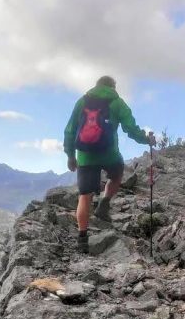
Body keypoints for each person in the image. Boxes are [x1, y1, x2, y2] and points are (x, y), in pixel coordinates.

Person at [64, 75, 155, 254]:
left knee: (84, 196)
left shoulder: (82, 102)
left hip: (85, 156)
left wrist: (70, 156)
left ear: (96, 85)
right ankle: (104, 204)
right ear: (113, 87)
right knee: (117, 174)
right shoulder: (117, 103)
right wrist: (146, 140)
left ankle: (82, 238)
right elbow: (131, 128)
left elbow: (70, 130)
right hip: (109, 154)